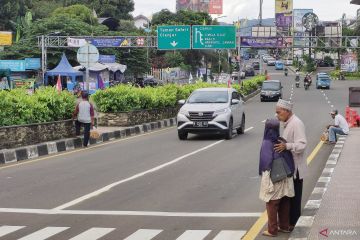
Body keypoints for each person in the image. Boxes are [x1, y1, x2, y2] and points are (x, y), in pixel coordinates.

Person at [274, 99, 307, 230]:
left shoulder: (296, 123)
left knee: (294, 197)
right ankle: (290, 222)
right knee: (290, 196)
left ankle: (294, 223)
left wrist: (286, 146)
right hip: (290, 167)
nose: (277, 115)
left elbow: (302, 145)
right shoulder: (288, 123)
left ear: (287, 111)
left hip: (296, 168)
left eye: (279, 112)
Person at [259, 119, 295, 237]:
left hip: (274, 177)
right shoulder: (281, 140)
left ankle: (272, 230)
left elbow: (266, 162)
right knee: (284, 200)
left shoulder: (267, 142)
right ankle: (284, 226)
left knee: (272, 203)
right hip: (286, 175)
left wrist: (266, 179)